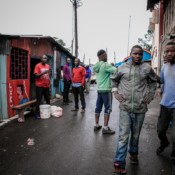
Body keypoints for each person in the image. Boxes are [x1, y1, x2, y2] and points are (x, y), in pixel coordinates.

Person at [111, 45, 157, 174]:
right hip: (125, 108)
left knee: (135, 135)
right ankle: (119, 162)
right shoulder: (122, 67)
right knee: (123, 137)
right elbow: (113, 80)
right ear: (130, 53)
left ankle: (134, 153)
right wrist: (116, 93)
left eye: (140, 54)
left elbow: (153, 82)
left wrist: (150, 95)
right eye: (135, 53)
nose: (137, 56)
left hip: (140, 108)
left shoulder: (147, 68)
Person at [156, 42, 175, 175]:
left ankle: (174, 161)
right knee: (160, 130)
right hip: (165, 104)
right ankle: (164, 143)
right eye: (167, 51)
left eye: (172, 51)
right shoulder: (164, 67)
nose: (169, 53)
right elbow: (162, 82)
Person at [93, 49, 117, 135]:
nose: (107, 57)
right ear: (101, 56)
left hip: (99, 90)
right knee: (108, 108)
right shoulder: (105, 65)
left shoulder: (96, 65)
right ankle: (105, 128)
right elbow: (116, 70)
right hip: (106, 90)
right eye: (105, 55)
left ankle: (96, 125)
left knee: (98, 107)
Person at [34, 55, 51, 119]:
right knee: (39, 100)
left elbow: (48, 75)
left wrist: (50, 82)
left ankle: (48, 112)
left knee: (48, 100)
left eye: (45, 58)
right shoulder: (37, 65)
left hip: (46, 86)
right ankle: (36, 113)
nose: (44, 59)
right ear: (41, 59)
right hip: (39, 86)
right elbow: (36, 76)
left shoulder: (48, 66)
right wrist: (43, 73)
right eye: (43, 58)